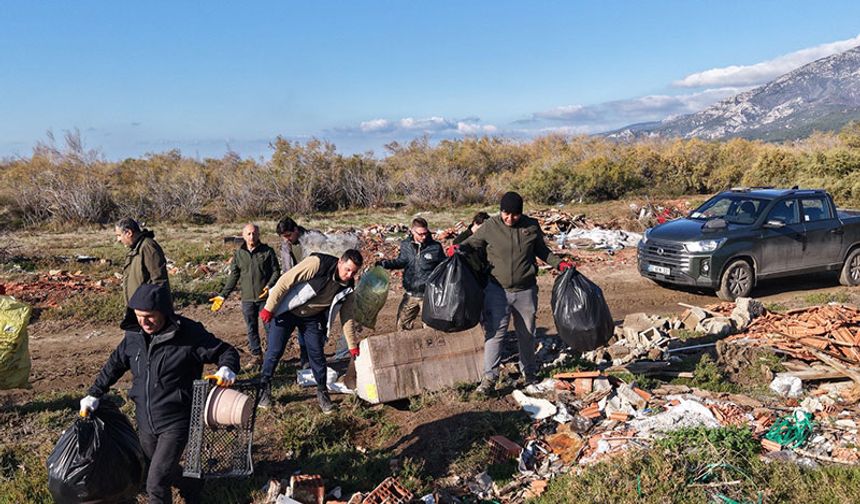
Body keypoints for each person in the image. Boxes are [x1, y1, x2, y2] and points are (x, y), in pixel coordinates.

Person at [80, 283, 239, 504]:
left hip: (177, 419)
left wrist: (227, 368)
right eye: (138, 316)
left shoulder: (188, 334)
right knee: (160, 468)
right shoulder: (134, 335)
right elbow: (114, 364)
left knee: (156, 482)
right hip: (145, 420)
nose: (144, 322)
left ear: (164, 311)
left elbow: (225, 351)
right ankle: (192, 484)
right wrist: (94, 394)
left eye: (149, 316)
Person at [457, 192, 573, 394]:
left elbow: (542, 251)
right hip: (496, 291)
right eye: (506, 213)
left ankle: (529, 373)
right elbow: (472, 243)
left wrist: (559, 264)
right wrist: (457, 248)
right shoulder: (491, 226)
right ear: (500, 211)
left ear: (521, 212)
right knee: (495, 334)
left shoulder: (531, 226)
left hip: (525, 291)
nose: (510, 218)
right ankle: (489, 379)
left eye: (515, 214)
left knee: (527, 334)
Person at [258, 249, 363, 412]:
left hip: (312, 317)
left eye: (354, 272)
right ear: (340, 262)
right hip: (288, 310)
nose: (349, 275)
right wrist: (269, 308)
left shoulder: (348, 287)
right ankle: (264, 388)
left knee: (317, 354)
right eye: (347, 269)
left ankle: (322, 393)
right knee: (274, 351)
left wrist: (352, 345)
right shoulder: (317, 264)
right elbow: (286, 280)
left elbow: (347, 316)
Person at [210, 223, 280, 367]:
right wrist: (223, 295)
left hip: (265, 299)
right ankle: (256, 356)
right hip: (247, 299)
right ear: (243, 236)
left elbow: (276, 271)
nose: (251, 236)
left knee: (270, 327)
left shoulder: (267, 251)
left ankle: (271, 357)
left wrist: (269, 286)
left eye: (254, 233)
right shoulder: (239, 254)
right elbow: (234, 277)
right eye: (248, 234)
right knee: (251, 328)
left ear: (258, 234)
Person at [378, 217, 445, 330]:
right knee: (401, 326)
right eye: (420, 234)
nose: (424, 237)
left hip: (429, 295)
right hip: (411, 293)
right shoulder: (406, 245)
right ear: (413, 231)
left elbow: (443, 267)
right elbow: (402, 261)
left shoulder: (435, 247)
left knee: (431, 328)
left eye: (426, 233)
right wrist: (385, 264)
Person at [453, 211, 491, 286]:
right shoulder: (461, 239)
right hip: (468, 276)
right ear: (475, 223)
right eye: (482, 227)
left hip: (482, 276)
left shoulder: (485, 238)